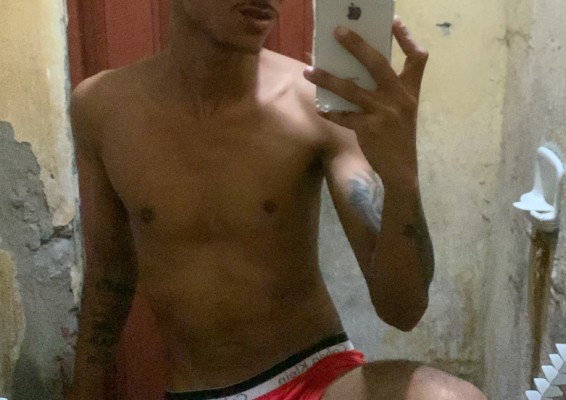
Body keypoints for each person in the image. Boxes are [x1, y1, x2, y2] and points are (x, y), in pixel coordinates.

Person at [67, 0, 487, 399]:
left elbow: (403, 309)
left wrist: (402, 179)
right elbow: (109, 277)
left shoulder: (315, 104)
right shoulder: (102, 109)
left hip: (313, 377)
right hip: (196, 388)